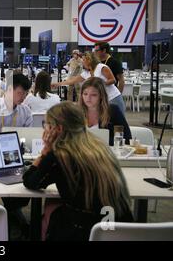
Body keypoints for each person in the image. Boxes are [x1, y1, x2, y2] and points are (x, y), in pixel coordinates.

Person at [22, 102, 133, 240]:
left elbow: (30, 181)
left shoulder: (60, 155)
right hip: (121, 227)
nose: (45, 128)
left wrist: (45, 152)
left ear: (59, 129)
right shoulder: (99, 146)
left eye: (47, 124)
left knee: (51, 212)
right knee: (53, 206)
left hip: (85, 230)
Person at [52, 52, 126, 115]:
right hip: (102, 100)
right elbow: (71, 80)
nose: (82, 62)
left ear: (89, 60)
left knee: (118, 121)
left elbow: (113, 80)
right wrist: (57, 84)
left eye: (84, 60)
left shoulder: (101, 67)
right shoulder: (86, 73)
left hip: (113, 97)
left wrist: (99, 84)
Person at [79, 77, 131, 146]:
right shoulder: (76, 112)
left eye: (93, 95)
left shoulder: (113, 111)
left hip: (107, 153)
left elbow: (126, 138)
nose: (88, 98)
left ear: (101, 96)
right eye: (85, 94)